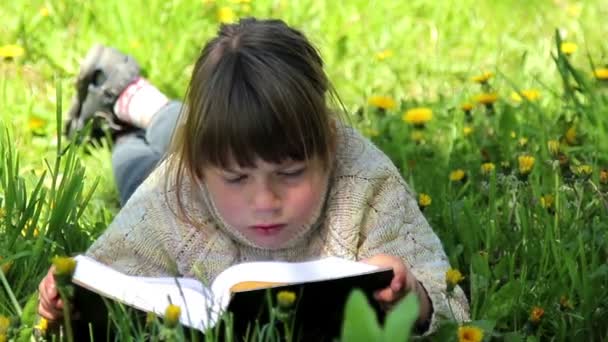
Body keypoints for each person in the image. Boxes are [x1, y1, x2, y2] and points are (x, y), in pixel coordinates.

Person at [38, 17, 469, 335]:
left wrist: (416, 296)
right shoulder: (174, 189)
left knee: (238, 140)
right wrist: (64, 301)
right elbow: (102, 275)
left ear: (329, 144)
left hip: (224, 146)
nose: (264, 201)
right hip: (169, 175)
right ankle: (130, 110)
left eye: (292, 172)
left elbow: (449, 299)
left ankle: (135, 100)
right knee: (138, 164)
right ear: (199, 167)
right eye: (237, 179)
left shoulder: (362, 180)